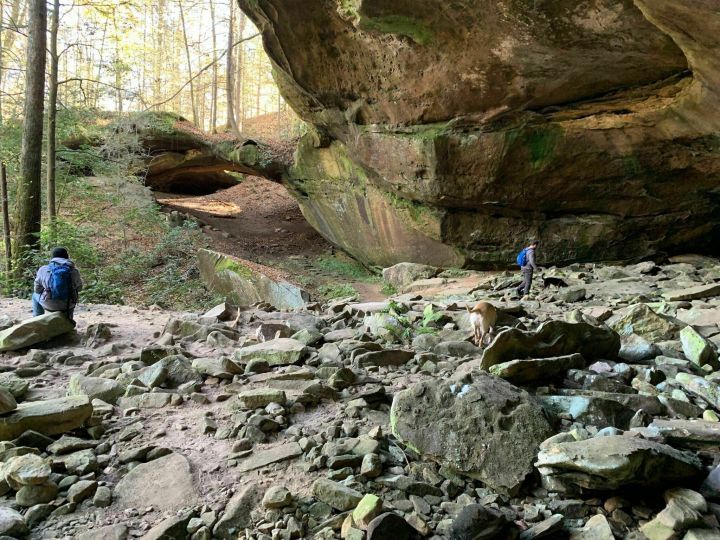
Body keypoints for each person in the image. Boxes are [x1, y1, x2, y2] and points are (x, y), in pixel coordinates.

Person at [32, 247, 83, 323]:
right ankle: (68, 321)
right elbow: (79, 288)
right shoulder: (74, 271)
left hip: (49, 304)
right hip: (67, 305)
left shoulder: (43, 269)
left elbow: (37, 290)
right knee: (72, 296)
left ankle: (37, 320)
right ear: (67, 257)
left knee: (34, 295)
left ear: (53, 257)